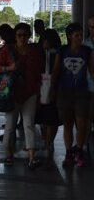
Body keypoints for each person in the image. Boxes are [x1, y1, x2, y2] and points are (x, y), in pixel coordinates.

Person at [0, 23, 43, 168]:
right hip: (12, 94)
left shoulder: (35, 52)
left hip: (30, 93)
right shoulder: (7, 50)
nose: (22, 38)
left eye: (25, 35)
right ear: (15, 36)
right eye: (19, 35)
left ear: (29, 36)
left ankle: (32, 157)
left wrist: (40, 94)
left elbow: (39, 74)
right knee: (10, 126)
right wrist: (8, 68)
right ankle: (9, 154)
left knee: (29, 125)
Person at [51, 22, 94, 168]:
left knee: (81, 123)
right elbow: (56, 71)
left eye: (81, 35)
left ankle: (79, 150)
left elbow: (92, 71)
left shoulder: (87, 51)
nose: (80, 38)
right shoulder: (62, 51)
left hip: (82, 91)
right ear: (69, 37)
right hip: (64, 92)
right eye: (76, 35)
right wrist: (52, 89)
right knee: (68, 123)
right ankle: (69, 151)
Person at [36, 28, 61, 156]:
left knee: (46, 119)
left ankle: (47, 143)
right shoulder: (58, 53)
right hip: (54, 89)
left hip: (46, 89)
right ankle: (48, 143)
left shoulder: (44, 53)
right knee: (52, 119)